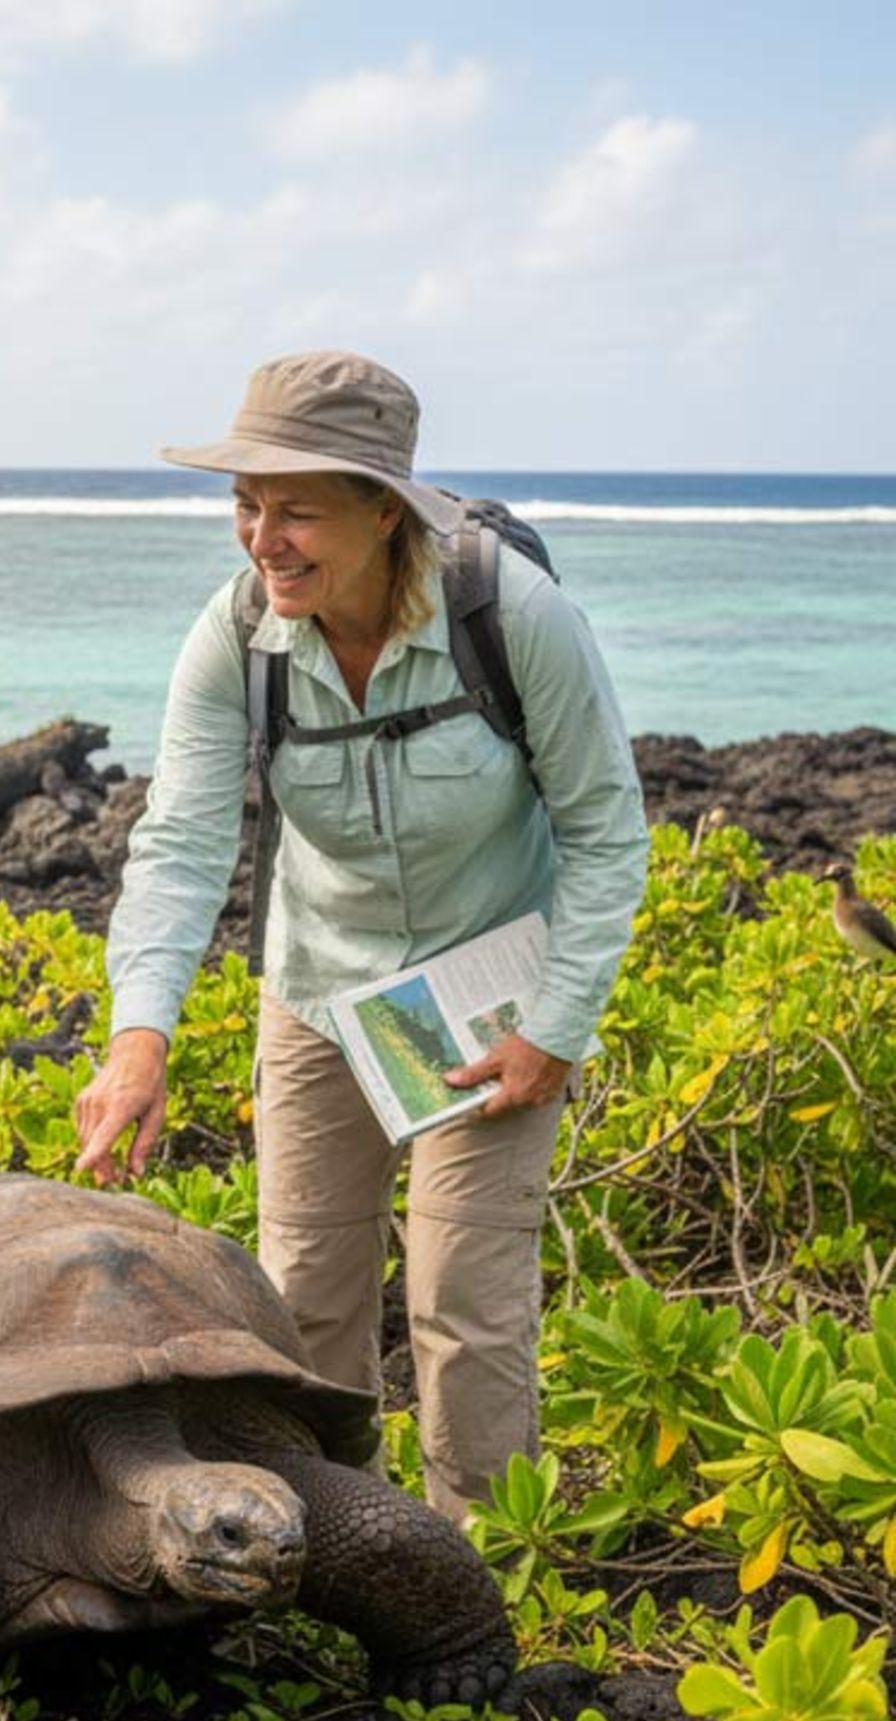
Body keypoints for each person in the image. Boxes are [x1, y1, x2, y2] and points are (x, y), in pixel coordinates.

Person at [74, 350, 648, 1522]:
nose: (263, 538)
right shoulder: (234, 635)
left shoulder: (514, 614)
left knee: (465, 1295)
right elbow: (180, 841)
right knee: (305, 1292)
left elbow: (605, 831)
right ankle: (333, 1539)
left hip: (492, 990)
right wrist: (140, 1037)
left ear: (385, 510)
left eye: (298, 509)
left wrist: (558, 1026)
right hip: (318, 987)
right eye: (246, 504)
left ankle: (480, 1563)